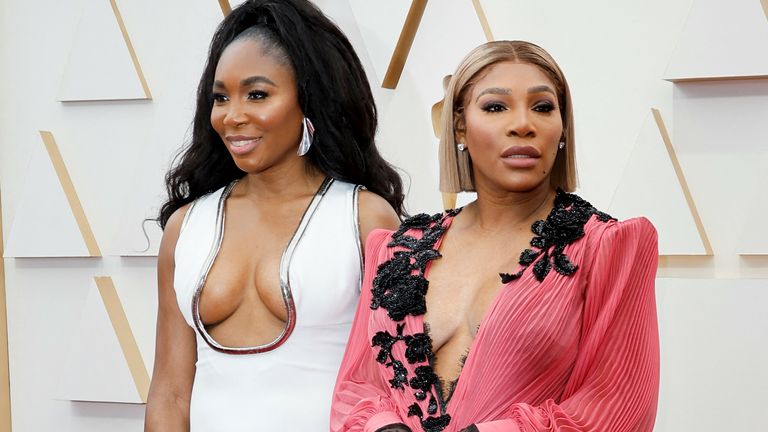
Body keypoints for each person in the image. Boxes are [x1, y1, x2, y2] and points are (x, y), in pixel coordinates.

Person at [331, 40, 659, 432]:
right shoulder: (397, 249)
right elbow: (357, 388)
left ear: (562, 128)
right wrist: (382, 426)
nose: (523, 123)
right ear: (460, 127)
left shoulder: (607, 246)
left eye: (542, 107)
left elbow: (618, 407)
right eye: (495, 107)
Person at [144, 1, 404, 431]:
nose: (233, 116)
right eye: (220, 97)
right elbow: (170, 392)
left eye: (257, 94)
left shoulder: (365, 219)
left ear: (308, 100)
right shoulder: (185, 227)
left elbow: (392, 389)